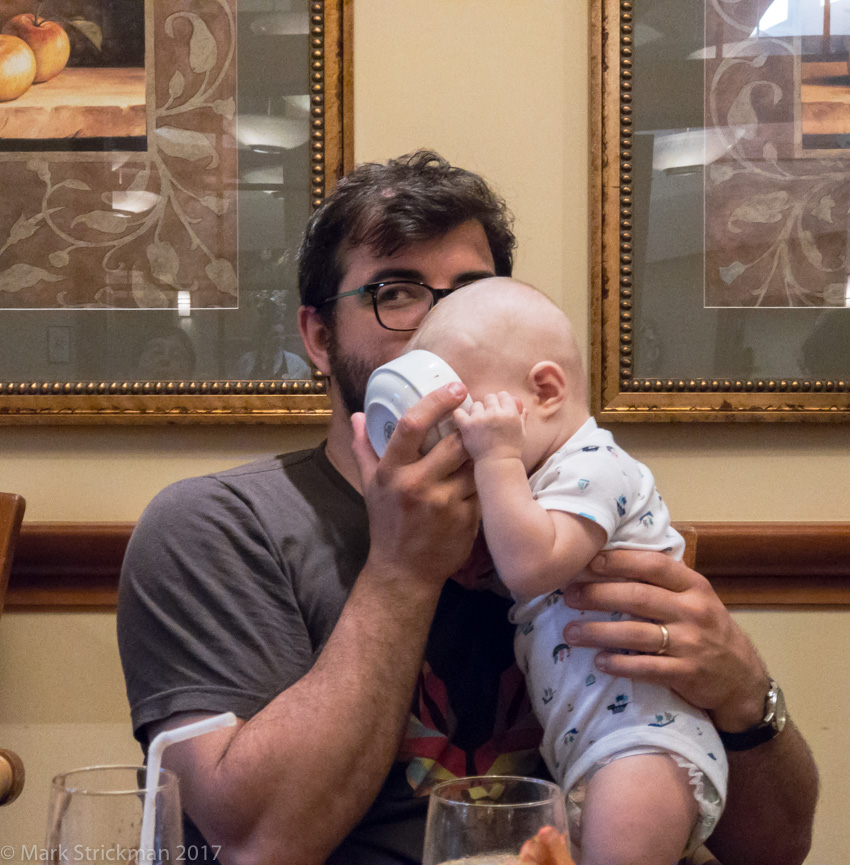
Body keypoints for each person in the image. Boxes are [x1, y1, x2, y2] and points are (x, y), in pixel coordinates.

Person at [117, 150, 817, 865]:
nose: (441, 324)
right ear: (320, 338)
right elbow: (259, 842)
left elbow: (778, 848)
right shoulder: (216, 526)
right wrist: (402, 569)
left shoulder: (570, 502)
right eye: (397, 292)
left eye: (471, 292)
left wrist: (743, 693)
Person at [405, 278, 728, 864]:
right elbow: (541, 578)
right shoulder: (545, 486)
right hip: (590, 749)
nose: (459, 443)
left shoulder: (597, 467)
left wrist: (497, 457)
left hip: (644, 746)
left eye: (469, 419)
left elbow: (530, 568)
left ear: (546, 390)